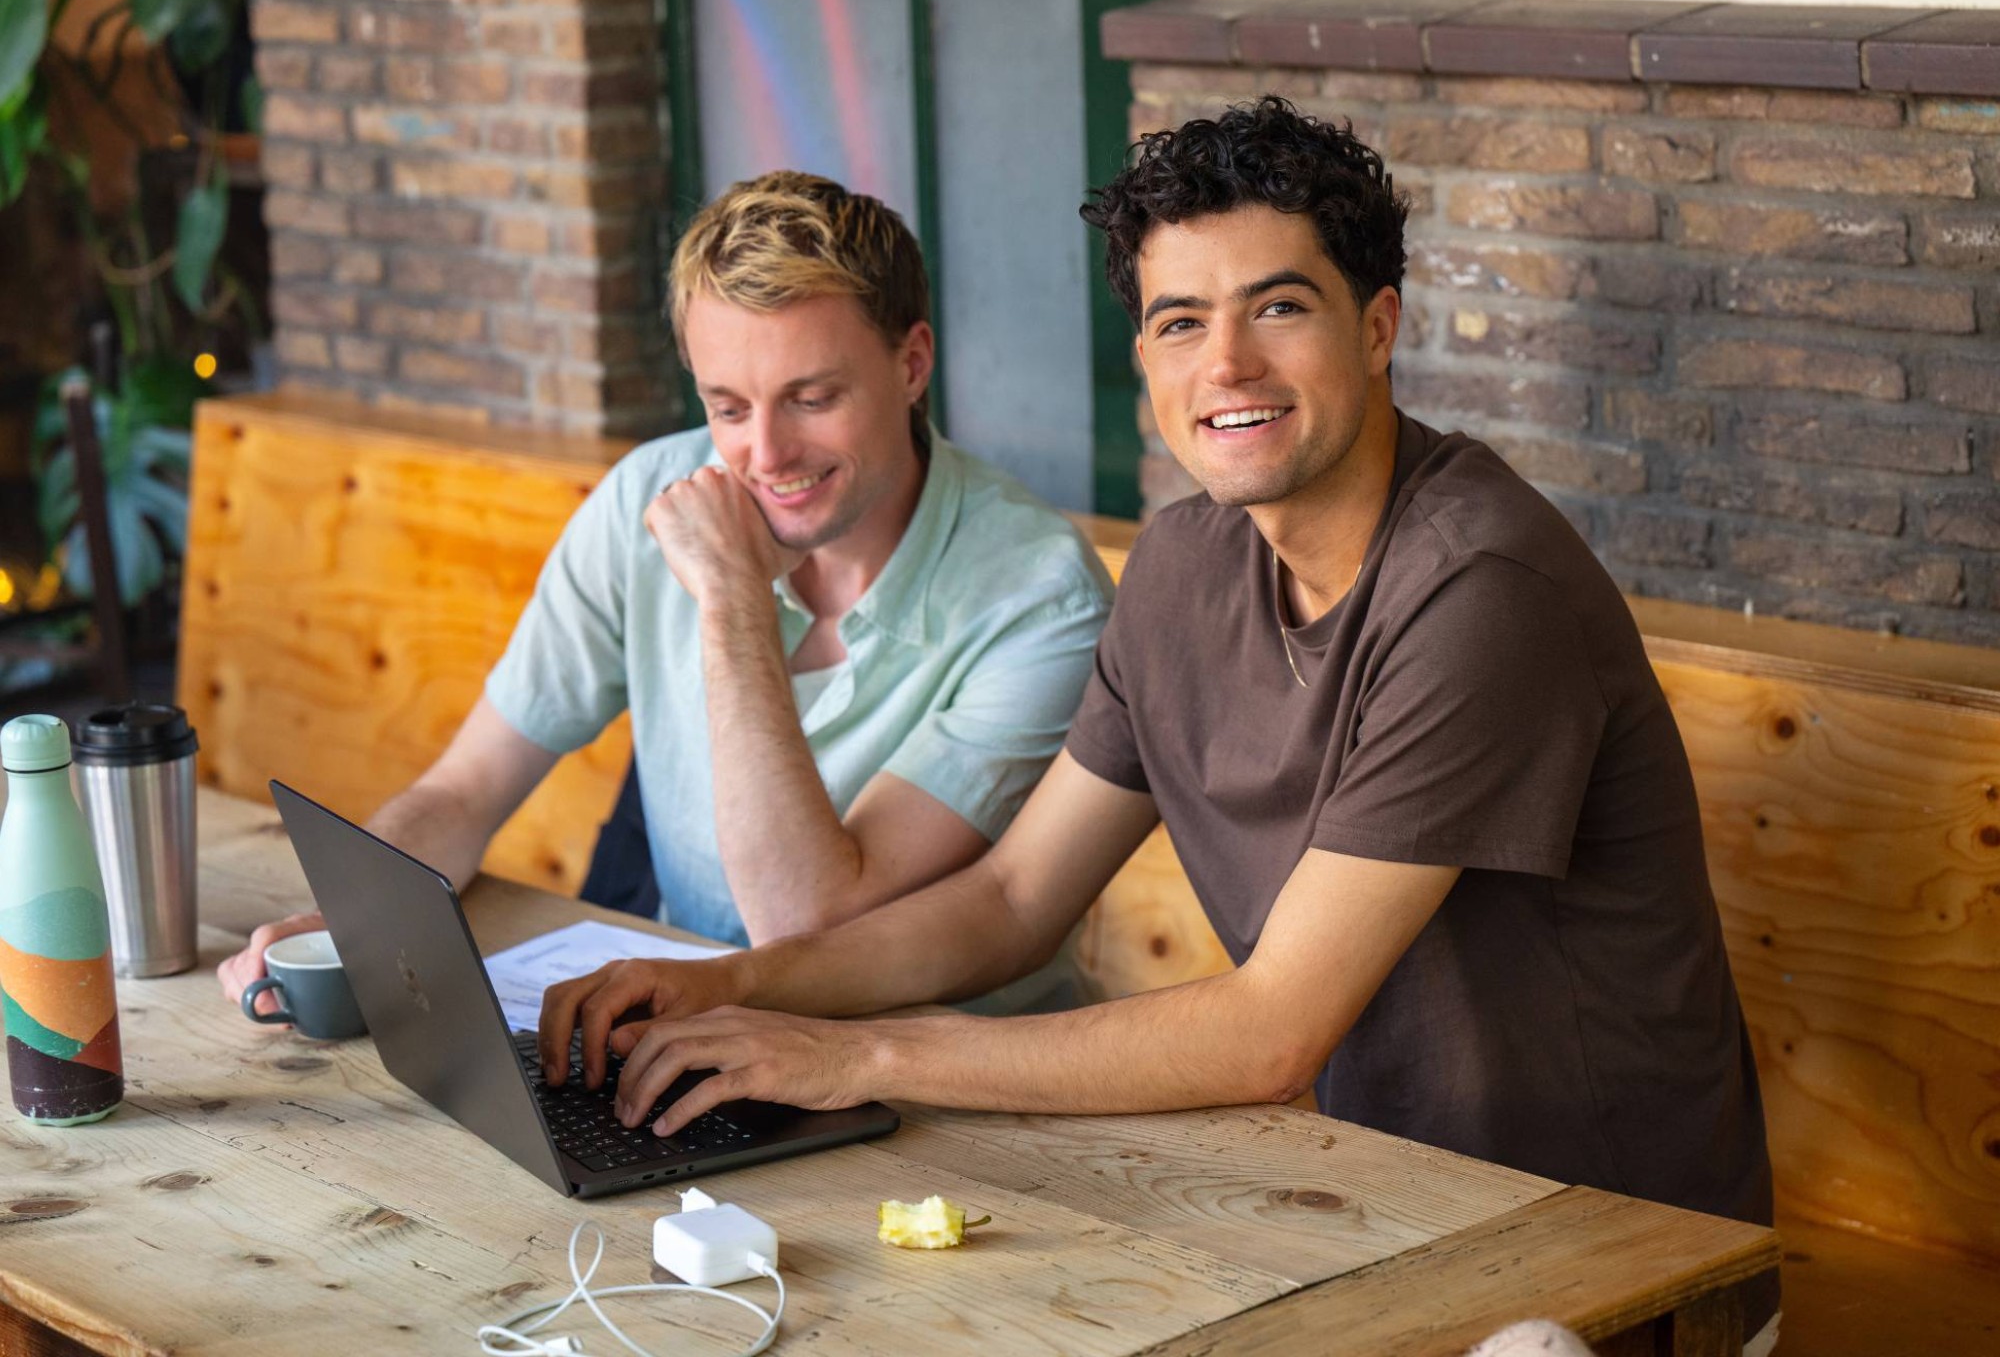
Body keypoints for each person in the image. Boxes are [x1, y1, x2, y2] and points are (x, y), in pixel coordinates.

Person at [536, 100, 1780, 1353]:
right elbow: (1011, 900)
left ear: (1379, 326)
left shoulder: (1478, 591)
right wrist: (726, 987)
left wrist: (856, 1059)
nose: (1224, 366)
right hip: (1361, 1207)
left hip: (1597, 1262)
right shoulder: (1187, 563)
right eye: (1179, 323)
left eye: (1277, 308)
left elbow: (1267, 1029)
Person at [219, 170, 1114, 1010]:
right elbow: (465, 790)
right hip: (700, 1032)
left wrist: (732, 599)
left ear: (912, 364)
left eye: (812, 398)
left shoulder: (1041, 598)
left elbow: (803, 924)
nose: (765, 456)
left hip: (955, 1087)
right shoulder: (645, 499)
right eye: (728, 408)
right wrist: (358, 921)